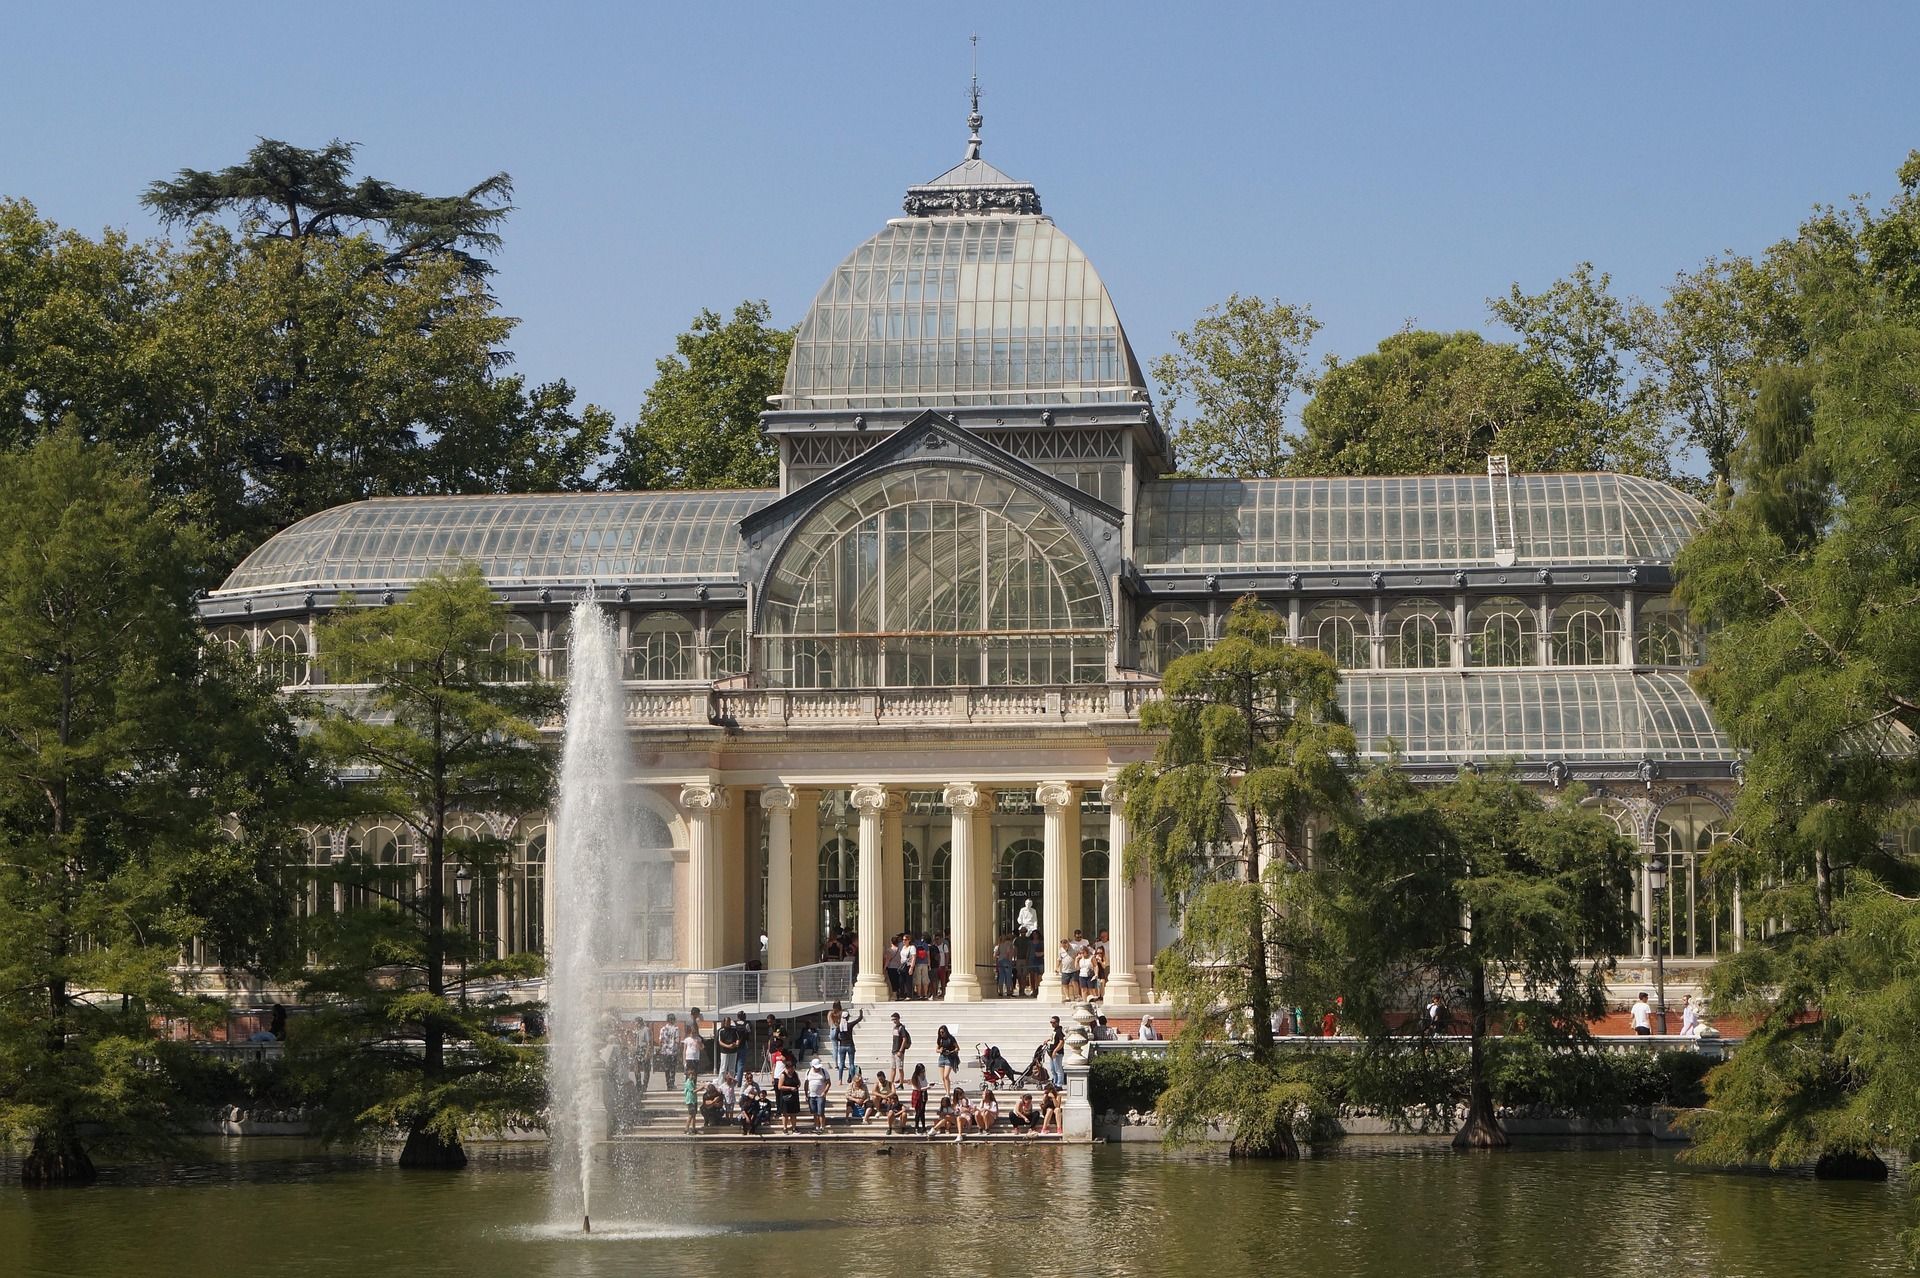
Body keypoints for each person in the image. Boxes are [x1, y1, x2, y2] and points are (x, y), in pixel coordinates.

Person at [833, 1003, 865, 1082]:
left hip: (842, 1046)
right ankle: (853, 1079)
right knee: (851, 1064)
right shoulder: (850, 1025)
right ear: (847, 1018)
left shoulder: (839, 1027)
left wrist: (840, 1040)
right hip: (850, 1045)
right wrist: (861, 1011)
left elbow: (835, 1037)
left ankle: (840, 1080)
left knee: (841, 1064)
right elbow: (859, 1018)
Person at [774, 1056, 802, 1133]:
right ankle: (785, 1128)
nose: (792, 1070)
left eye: (793, 1068)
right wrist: (790, 1088)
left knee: (793, 1113)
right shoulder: (783, 1075)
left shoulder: (795, 1074)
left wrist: (798, 1085)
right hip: (786, 1096)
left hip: (794, 1096)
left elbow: (798, 1082)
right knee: (785, 1114)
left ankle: (794, 1128)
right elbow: (779, 1087)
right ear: (787, 1068)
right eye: (791, 1068)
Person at [715, 1013, 744, 1085]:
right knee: (723, 1068)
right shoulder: (721, 1030)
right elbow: (720, 1042)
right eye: (726, 1022)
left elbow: (738, 1038)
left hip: (733, 1051)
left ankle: (731, 1082)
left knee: (732, 1068)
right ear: (724, 1022)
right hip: (724, 1051)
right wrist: (728, 1046)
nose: (728, 1023)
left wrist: (737, 1043)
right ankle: (721, 1083)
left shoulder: (734, 1029)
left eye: (729, 1022)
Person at [806, 1056, 832, 1132]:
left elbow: (828, 1083)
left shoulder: (824, 1071)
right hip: (811, 1095)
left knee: (821, 1112)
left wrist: (825, 1092)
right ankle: (816, 1126)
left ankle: (822, 1127)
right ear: (812, 1066)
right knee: (814, 1112)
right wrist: (806, 1094)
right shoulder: (808, 1072)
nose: (818, 1068)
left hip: (820, 1095)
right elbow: (806, 1083)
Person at [657, 1013, 682, 1087]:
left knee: (666, 1068)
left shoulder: (663, 1029)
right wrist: (679, 1050)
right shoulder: (676, 1029)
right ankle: (672, 1082)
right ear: (673, 1020)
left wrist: (660, 1049)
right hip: (673, 1051)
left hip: (665, 1051)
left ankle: (667, 1082)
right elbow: (677, 1040)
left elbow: (660, 1041)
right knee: (673, 1068)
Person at [936, 1023, 961, 1090]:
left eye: (942, 1032)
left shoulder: (951, 1038)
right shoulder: (940, 1039)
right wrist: (940, 1050)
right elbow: (936, 1049)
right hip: (942, 1058)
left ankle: (948, 1092)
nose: (941, 1034)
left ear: (946, 1032)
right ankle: (947, 1091)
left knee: (946, 1076)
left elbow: (957, 1048)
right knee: (943, 1078)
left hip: (949, 1058)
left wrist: (951, 1052)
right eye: (940, 1032)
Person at [681, 1016, 704, 1086]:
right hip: (688, 1058)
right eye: (691, 1032)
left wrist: (699, 1044)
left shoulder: (698, 1039)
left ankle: (693, 1084)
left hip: (695, 1058)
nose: (692, 1034)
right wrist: (684, 1060)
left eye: (694, 1032)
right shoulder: (687, 1039)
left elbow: (702, 1048)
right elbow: (684, 1050)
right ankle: (687, 1084)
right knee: (688, 1072)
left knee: (694, 1072)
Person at [889, 1011, 911, 1083]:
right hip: (893, 1050)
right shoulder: (894, 1028)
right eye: (893, 1019)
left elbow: (904, 1039)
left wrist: (901, 1051)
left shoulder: (901, 1028)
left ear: (898, 1019)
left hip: (899, 1051)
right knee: (893, 1068)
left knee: (900, 1069)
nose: (894, 1021)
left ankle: (901, 1083)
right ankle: (891, 1083)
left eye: (895, 1019)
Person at [910, 1062, 930, 1133]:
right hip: (917, 1094)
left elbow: (925, 1083)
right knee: (918, 1112)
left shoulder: (923, 1076)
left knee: (922, 1111)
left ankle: (923, 1126)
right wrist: (928, 1087)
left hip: (924, 1093)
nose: (923, 1071)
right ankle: (916, 1127)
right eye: (921, 1070)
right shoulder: (915, 1077)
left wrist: (928, 1085)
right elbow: (918, 1088)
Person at [1047, 1015, 1066, 1088]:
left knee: (1058, 1069)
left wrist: (1055, 1050)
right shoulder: (1055, 1031)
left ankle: (1059, 1084)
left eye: (1053, 1022)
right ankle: (1055, 1082)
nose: (1052, 1024)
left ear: (1057, 1022)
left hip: (1057, 1053)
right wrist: (1048, 1040)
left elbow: (1061, 1042)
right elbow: (1054, 1040)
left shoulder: (1059, 1031)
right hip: (1051, 1053)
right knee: (1053, 1069)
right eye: (1051, 1022)